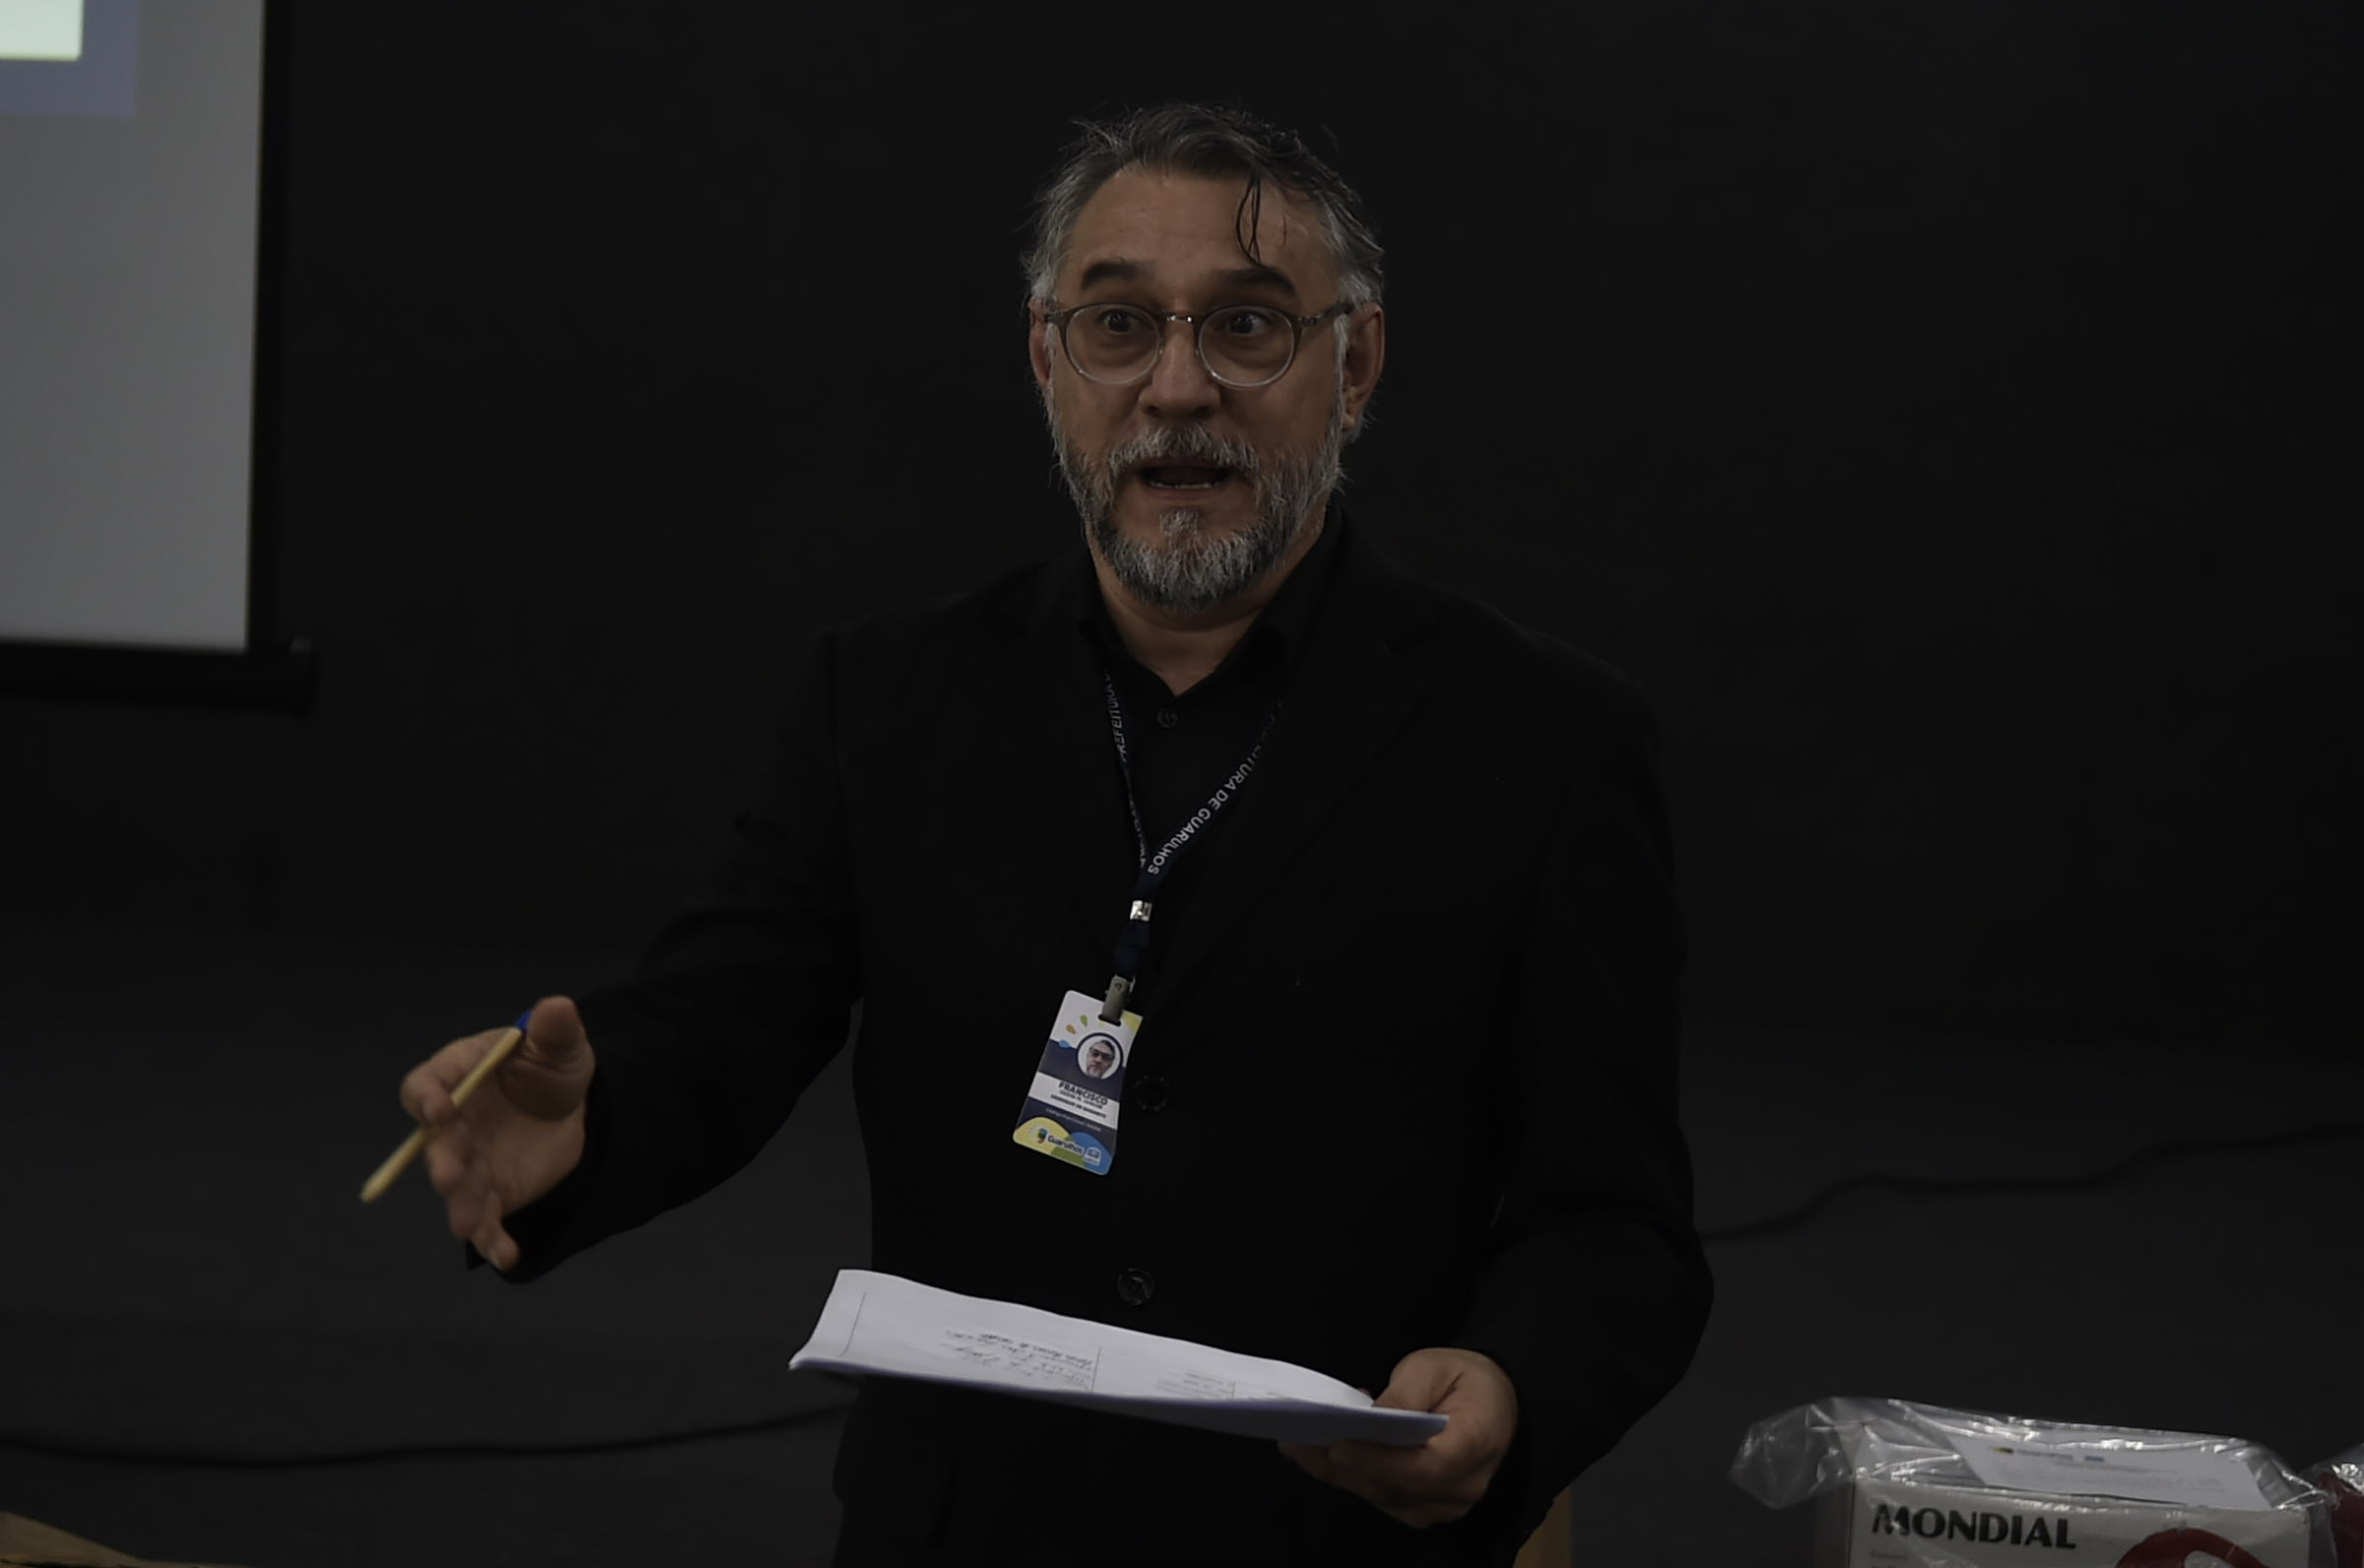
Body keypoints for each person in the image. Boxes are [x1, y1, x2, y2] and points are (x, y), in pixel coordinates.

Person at [397, 100, 1712, 1565]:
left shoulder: (1543, 743)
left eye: (1250, 326)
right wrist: (588, 1125)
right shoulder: (890, 699)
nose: (1178, 387)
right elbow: (724, 1019)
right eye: (1118, 324)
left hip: (1333, 1535)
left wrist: (1515, 1383)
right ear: (1045, 360)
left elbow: (1617, 1225)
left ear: (1357, 366)